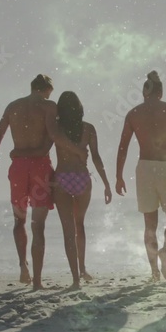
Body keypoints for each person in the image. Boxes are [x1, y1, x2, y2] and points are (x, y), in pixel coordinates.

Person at [0, 74, 84, 290]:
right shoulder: (48, 106)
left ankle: (22, 266)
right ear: (47, 90)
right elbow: (53, 135)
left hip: (18, 168)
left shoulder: (12, 106)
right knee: (39, 226)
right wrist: (77, 150)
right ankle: (36, 281)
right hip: (39, 169)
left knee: (19, 220)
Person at [115, 71, 166, 281]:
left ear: (144, 92)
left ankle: (154, 272)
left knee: (150, 225)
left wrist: (118, 176)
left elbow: (123, 147)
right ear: (161, 92)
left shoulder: (133, 114)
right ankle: (165, 251)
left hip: (145, 168)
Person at [53, 91, 112, 289]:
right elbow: (96, 157)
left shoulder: (56, 128)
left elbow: (44, 148)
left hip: (62, 177)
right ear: (79, 108)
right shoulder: (88, 129)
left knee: (68, 230)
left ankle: (76, 280)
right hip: (82, 178)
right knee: (80, 225)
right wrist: (106, 183)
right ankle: (83, 268)